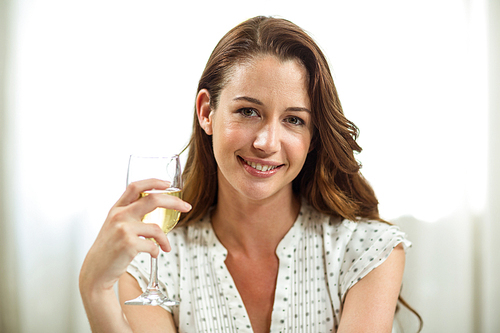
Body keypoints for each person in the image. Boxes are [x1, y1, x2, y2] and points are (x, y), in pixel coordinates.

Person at [79, 16, 421, 333]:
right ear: (206, 112)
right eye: (248, 111)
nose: (267, 142)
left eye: (294, 120)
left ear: (313, 135)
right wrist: (94, 290)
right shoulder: (153, 265)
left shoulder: (367, 253)